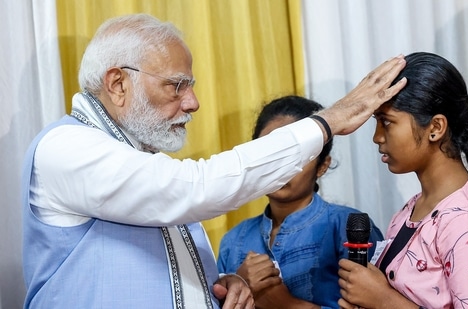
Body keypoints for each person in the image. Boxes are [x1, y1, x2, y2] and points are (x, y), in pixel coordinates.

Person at [20, 13, 407, 309]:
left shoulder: (137, 159)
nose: (192, 103)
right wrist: (325, 123)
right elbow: (196, 187)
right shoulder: (67, 147)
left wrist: (218, 284)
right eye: (176, 85)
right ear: (118, 83)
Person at [337, 52, 468, 309]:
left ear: (436, 128)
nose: (377, 137)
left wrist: (383, 300)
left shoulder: (467, 221)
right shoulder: (410, 211)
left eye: (387, 122)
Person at [217, 95, 384, 309]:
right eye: (270, 153)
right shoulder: (233, 242)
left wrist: (286, 305)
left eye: (297, 155)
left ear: (323, 165)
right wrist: (237, 284)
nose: (281, 167)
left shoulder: (348, 228)